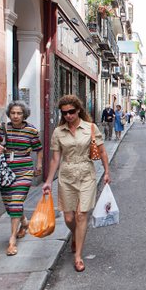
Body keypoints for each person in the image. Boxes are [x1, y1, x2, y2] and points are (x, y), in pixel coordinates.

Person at [42, 95, 110, 272]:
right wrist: (49, 181)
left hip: (87, 173)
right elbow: (55, 159)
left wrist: (107, 172)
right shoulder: (58, 132)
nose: (68, 116)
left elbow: (102, 152)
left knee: (81, 215)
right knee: (69, 218)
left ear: (78, 110)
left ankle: (78, 255)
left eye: (71, 112)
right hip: (66, 176)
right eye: (65, 113)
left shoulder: (91, 128)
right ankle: (75, 234)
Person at [0, 100, 43, 256]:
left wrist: (38, 166)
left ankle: (12, 241)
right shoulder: (4, 127)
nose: (15, 116)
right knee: (9, 205)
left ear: (24, 114)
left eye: (19, 113)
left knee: (16, 202)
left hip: (24, 170)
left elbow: (38, 149)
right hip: (6, 170)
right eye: (13, 113)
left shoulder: (31, 130)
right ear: (9, 114)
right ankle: (25, 223)